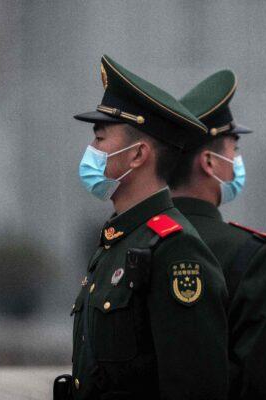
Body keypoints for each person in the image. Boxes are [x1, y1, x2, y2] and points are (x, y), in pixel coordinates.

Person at [54, 55, 229, 400]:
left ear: (138, 155)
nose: (90, 151)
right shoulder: (118, 240)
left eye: (100, 139)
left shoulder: (175, 249)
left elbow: (194, 388)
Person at [169, 70, 266, 400]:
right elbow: (265, 384)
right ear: (209, 162)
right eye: (233, 149)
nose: (237, 161)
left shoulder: (128, 241)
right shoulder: (253, 256)